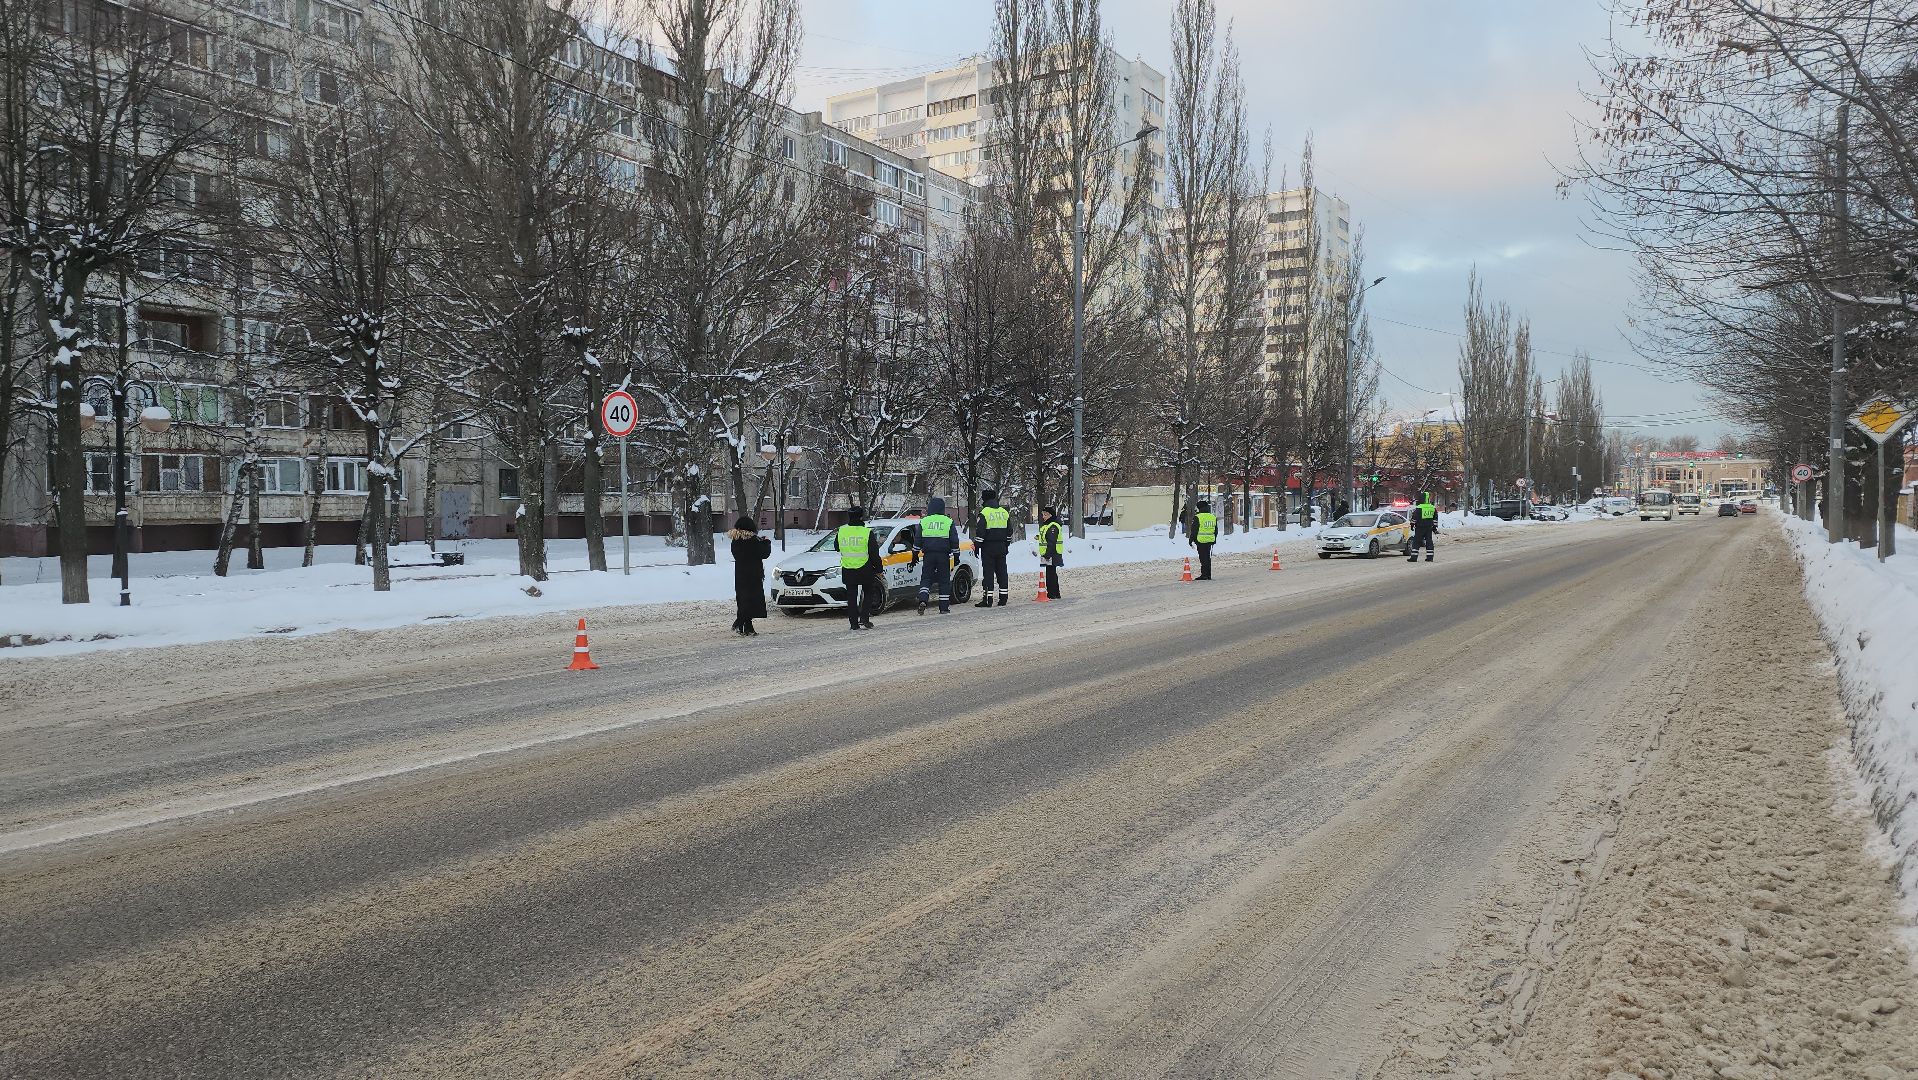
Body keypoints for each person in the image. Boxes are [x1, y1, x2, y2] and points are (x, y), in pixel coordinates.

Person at [837, 505, 882, 630]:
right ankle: (864, 618)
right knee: (868, 592)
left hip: (847, 568)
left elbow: (836, 547)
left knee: (851, 596)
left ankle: (853, 623)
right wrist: (879, 568)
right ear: (861, 517)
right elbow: (874, 553)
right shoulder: (866, 532)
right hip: (865, 568)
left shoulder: (841, 531)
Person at [913, 496, 959, 614]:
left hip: (928, 555)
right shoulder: (948, 521)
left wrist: (915, 554)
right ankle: (943, 608)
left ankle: (923, 599)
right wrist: (956, 556)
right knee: (944, 581)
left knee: (926, 578)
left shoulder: (924, 521)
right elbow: (954, 540)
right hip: (943, 555)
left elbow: (917, 540)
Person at [728, 515, 772, 636]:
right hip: (753, 575)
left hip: (740, 575)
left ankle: (747, 627)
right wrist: (766, 542)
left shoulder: (735, 541)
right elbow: (764, 553)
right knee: (752, 601)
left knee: (743, 600)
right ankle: (740, 623)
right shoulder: (752, 541)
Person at [973, 489, 1012, 608]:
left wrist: (977, 547)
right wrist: (1006, 544)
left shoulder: (984, 513)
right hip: (1001, 546)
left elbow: (980, 533)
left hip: (988, 547)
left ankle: (988, 599)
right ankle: (1003, 598)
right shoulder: (1004, 512)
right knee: (1002, 572)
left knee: (988, 573)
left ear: (984, 499)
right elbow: (1010, 531)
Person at [1037, 505, 1065, 599]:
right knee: (1051, 573)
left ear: (1050, 515)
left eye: (1045, 515)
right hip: (1049, 553)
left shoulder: (1053, 526)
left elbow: (1052, 542)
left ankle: (1052, 594)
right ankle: (1055, 593)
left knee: (1051, 574)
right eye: (1043, 515)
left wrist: (1047, 555)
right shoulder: (1047, 525)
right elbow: (1046, 537)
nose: (1043, 516)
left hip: (1052, 554)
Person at [1190, 499, 1218, 580]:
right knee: (1208, 557)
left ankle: (1204, 575)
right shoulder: (1212, 517)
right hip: (1210, 540)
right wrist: (1214, 539)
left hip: (1201, 540)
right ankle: (1208, 574)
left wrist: (1191, 540)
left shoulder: (1198, 517)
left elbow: (1194, 530)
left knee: (1203, 558)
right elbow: (1215, 530)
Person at [1407, 490, 1438, 562]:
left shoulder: (1419, 507)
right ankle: (1430, 557)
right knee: (1429, 542)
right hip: (1429, 528)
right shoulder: (1432, 507)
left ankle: (1414, 558)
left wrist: (1412, 525)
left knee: (1416, 542)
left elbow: (1415, 517)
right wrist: (1434, 527)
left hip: (1420, 528)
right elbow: (1435, 518)